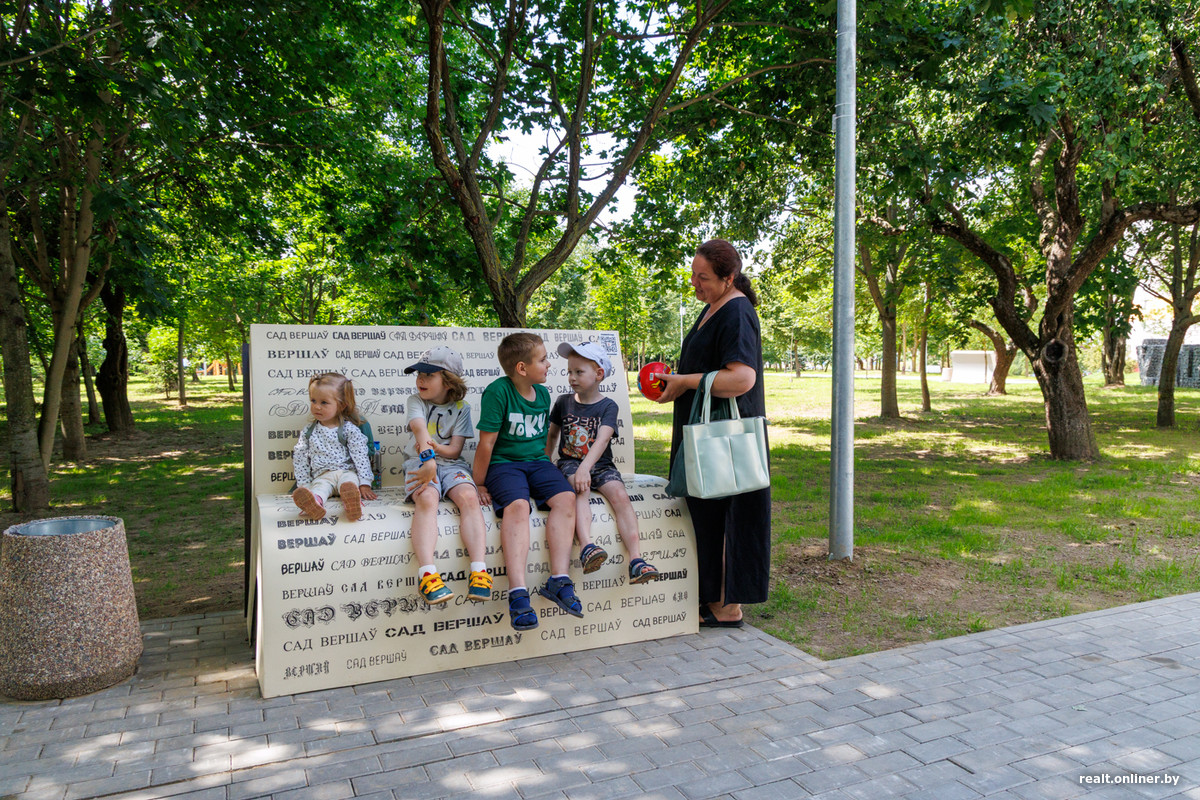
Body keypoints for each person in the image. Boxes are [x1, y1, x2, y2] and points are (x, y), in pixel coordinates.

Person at [653, 239, 770, 628]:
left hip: (726, 437)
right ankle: (712, 598)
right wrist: (677, 383)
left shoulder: (737, 311)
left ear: (728, 278)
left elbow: (742, 378)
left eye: (702, 277)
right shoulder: (714, 306)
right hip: (707, 430)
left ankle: (727, 607)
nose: (694, 283)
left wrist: (686, 381)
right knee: (707, 511)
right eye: (693, 274)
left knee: (726, 513)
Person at [472, 332, 580, 631]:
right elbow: (486, 444)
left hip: (537, 463)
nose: (549, 365)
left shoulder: (542, 395)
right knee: (518, 506)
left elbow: (541, 440)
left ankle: (559, 579)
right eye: (543, 360)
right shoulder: (498, 392)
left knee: (567, 498)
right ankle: (518, 592)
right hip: (504, 465)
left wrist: (545, 467)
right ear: (522, 368)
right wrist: (478, 483)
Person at [547, 341, 659, 584]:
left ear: (598, 374)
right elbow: (552, 435)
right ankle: (587, 546)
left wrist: (586, 468)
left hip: (601, 464)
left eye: (579, 372)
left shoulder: (608, 405)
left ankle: (636, 560)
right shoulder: (564, 402)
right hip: (570, 462)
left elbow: (603, 438)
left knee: (620, 496)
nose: (572, 377)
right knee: (581, 489)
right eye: (569, 371)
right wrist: (546, 462)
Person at [400, 346, 493, 606]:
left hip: (451, 464)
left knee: (469, 496)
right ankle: (428, 575)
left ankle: (479, 571)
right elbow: (419, 429)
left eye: (429, 375)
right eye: (419, 374)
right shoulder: (415, 401)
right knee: (427, 497)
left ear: (449, 381)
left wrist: (436, 450)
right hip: (420, 461)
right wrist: (428, 457)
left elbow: (454, 451)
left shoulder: (462, 408)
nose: (420, 379)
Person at [291, 372, 378, 523]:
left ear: (342, 405)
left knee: (349, 484)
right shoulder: (308, 431)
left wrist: (365, 483)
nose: (317, 406)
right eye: (313, 400)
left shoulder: (348, 429)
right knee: (319, 489)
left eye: (324, 402)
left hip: (346, 472)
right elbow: (300, 459)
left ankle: (352, 503)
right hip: (322, 475)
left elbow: (360, 456)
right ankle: (314, 504)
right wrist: (305, 485)